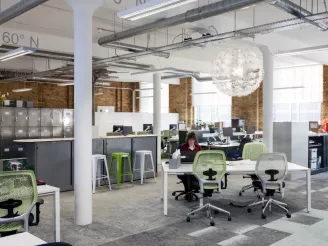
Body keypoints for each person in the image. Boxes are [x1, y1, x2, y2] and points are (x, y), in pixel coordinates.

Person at [175, 132, 201, 202]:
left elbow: (201, 158)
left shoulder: (198, 147)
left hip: (195, 167)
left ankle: (190, 191)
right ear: (187, 140)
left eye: (192, 140)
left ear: (195, 140)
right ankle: (188, 192)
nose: (191, 141)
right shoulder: (183, 146)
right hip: (184, 166)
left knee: (194, 175)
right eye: (189, 140)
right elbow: (179, 157)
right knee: (186, 175)